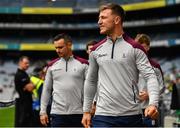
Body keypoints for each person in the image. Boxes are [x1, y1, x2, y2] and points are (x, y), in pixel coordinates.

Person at [82, 3, 159, 127]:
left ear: (117, 20)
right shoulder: (95, 50)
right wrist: (86, 110)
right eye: (99, 18)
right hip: (103, 116)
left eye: (103, 18)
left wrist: (153, 103)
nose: (99, 22)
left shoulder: (135, 48)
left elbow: (150, 76)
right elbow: (91, 80)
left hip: (131, 115)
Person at [40, 33, 88, 127]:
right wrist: (42, 111)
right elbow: (46, 90)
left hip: (78, 114)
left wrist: (89, 109)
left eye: (60, 47)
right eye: (56, 48)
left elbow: (90, 88)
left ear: (69, 45)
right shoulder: (51, 66)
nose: (57, 50)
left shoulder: (84, 64)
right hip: (57, 114)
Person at [135, 33, 165, 127]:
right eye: (138, 47)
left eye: (143, 47)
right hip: (132, 110)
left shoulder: (155, 66)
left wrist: (149, 94)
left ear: (148, 47)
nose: (141, 49)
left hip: (150, 109)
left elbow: (162, 86)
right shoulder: (129, 66)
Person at [14, 56, 35, 127]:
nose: (28, 65)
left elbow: (30, 86)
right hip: (23, 104)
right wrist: (32, 84)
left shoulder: (24, 73)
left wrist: (31, 84)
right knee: (23, 123)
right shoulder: (20, 74)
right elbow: (30, 88)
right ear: (20, 63)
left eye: (28, 63)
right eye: (26, 63)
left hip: (26, 103)